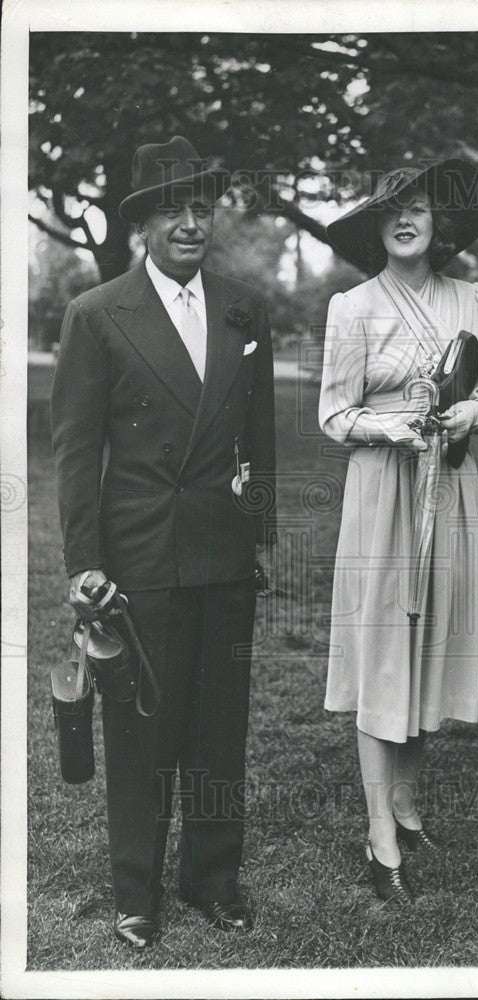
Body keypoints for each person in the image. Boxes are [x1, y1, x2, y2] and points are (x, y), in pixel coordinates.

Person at [51, 136, 276, 947]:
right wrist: (85, 566)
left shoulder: (246, 306)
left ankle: (214, 878)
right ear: (142, 221)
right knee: (144, 729)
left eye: (201, 207)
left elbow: (259, 434)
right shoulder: (95, 313)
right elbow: (76, 453)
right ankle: (135, 892)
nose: (190, 222)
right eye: (172, 208)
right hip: (139, 557)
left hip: (222, 553)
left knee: (220, 727)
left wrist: (261, 531)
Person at [320, 159, 478, 903]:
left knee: (428, 644)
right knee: (381, 650)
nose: (405, 219)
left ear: (440, 224)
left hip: (447, 487)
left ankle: (405, 801)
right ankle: (378, 833)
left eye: (419, 208)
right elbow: (333, 414)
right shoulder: (352, 305)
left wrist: (473, 412)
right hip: (383, 490)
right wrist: (394, 427)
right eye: (391, 208)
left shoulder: (469, 296)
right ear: (376, 223)